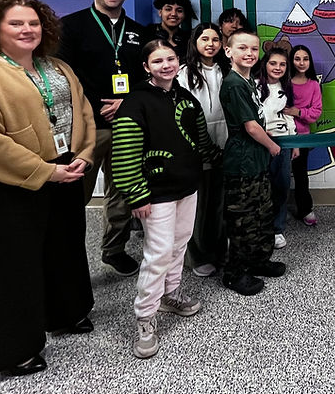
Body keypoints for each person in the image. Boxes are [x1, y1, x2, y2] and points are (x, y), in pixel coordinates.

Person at [0, 0, 95, 376]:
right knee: (12, 268)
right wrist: (46, 172)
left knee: (65, 249)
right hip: (4, 187)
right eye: (16, 24)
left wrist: (85, 153)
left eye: (34, 23)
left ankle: (65, 314)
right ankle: (14, 351)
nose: (27, 30)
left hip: (65, 172)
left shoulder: (56, 66)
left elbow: (84, 112)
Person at [111, 39, 221, 359]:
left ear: (178, 62)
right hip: (154, 194)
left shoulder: (186, 98)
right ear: (146, 67)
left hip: (187, 187)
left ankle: (170, 295)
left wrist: (225, 159)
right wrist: (136, 194)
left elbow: (201, 142)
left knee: (179, 244)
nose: (166, 65)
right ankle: (145, 318)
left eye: (170, 58)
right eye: (157, 61)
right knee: (157, 252)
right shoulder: (136, 102)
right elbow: (125, 154)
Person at [58, 0, 145, 276]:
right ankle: (67, 256)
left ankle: (114, 249)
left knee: (121, 192)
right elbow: (63, 77)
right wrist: (96, 106)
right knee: (74, 192)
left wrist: (127, 101)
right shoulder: (70, 27)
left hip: (127, 124)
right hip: (87, 126)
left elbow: (147, 78)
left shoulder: (137, 31)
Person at [220, 30, 286, 296]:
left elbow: (256, 121)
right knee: (243, 220)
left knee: (260, 214)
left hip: (255, 160)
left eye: (254, 48)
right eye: (242, 48)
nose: (249, 53)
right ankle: (235, 273)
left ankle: (258, 261)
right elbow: (249, 127)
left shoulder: (248, 82)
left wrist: (265, 135)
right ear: (229, 52)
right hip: (243, 163)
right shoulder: (234, 83)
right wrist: (272, 146)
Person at [178, 23, 230, 277]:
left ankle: (220, 251)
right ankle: (197, 255)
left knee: (220, 202)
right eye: (204, 39)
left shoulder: (227, 69)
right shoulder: (184, 73)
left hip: (225, 144)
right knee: (199, 204)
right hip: (196, 147)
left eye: (215, 39)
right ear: (195, 42)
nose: (210, 44)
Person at [254, 46, 300, 249]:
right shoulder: (252, 85)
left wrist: (294, 141)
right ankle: (259, 229)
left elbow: (289, 115)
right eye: (273, 63)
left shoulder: (286, 86)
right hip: (259, 143)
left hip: (284, 143)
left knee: (281, 186)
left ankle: (277, 228)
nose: (278, 67)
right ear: (265, 64)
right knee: (260, 188)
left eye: (282, 64)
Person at [284, 44, 323, 225]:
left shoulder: (314, 85)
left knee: (300, 176)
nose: (301, 62)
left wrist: (297, 112)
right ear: (291, 61)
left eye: (305, 59)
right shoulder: (282, 82)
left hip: (303, 138)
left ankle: (305, 209)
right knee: (279, 176)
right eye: (297, 58)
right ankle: (277, 212)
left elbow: (315, 113)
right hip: (281, 137)